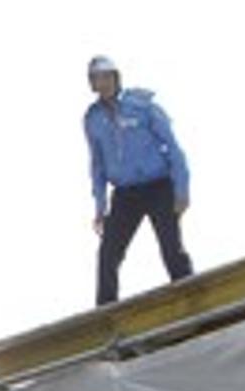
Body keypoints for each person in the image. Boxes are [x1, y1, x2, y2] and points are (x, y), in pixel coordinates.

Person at [84, 55, 193, 306]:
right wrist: (100, 207)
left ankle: (192, 299)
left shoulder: (142, 105)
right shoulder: (92, 119)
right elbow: (97, 165)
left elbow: (173, 148)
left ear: (116, 77)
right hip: (125, 194)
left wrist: (182, 189)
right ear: (92, 83)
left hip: (158, 187)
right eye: (98, 78)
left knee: (171, 249)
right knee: (108, 254)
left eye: (108, 77)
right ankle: (105, 315)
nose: (104, 83)